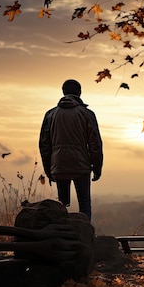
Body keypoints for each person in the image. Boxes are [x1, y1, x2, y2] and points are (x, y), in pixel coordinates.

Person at [39, 79, 103, 220]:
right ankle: (86, 237)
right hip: (81, 165)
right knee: (84, 203)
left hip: (59, 165)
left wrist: (49, 170)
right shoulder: (87, 114)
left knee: (62, 205)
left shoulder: (50, 114)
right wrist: (97, 167)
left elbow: (44, 145)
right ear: (79, 93)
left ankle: (63, 235)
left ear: (63, 92)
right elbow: (95, 144)